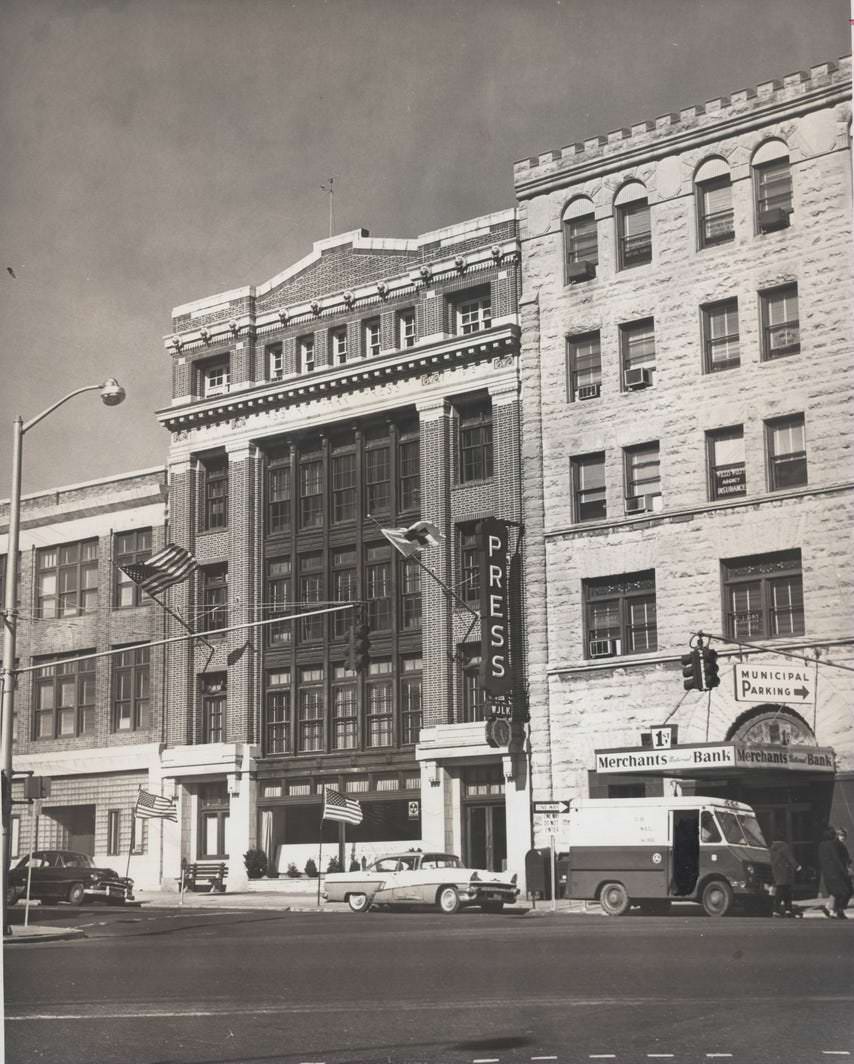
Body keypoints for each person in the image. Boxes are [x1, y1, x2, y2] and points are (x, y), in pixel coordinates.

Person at [818, 826, 852, 919]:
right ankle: (836, 909)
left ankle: (832, 909)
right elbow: (837, 859)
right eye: (841, 835)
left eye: (844, 836)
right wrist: (845, 871)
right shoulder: (833, 845)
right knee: (844, 892)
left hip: (833, 872)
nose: (843, 837)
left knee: (838, 892)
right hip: (838, 872)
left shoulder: (826, 845)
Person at [769, 839, 800, 917]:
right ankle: (787, 910)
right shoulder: (784, 847)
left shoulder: (773, 848)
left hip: (777, 872)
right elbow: (790, 858)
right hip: (785, 872)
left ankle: (779, 910)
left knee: (781, 890)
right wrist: (797, 866)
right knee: (786, 892)